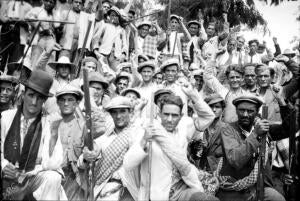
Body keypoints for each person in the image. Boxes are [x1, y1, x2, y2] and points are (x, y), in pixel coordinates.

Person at [123, 94, 218, 201]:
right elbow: (127, 165)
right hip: (158, 193)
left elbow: (208, 117)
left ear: (181, 116)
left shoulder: (183, 131)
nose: (169, 119)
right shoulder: (148, 130)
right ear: (159, 114)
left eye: (174, 115)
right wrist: (144, 140)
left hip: (182, 188)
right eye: (166, 114)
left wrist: (192, 94)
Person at [1, 70, 64, 200]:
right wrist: (3, 165)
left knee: (53, 177)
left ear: (45, 100)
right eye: (31, 95)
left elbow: (53, 164)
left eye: (39, 98)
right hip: (7, 178)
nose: (34, 102)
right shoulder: (6, 117)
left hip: (31, 178)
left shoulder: (48, 123)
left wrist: (53, 134)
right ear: (23, 95)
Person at [215, 94, 286, 201]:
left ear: (257, 112)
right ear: (236, 111)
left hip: (259, 187)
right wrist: (255, 134)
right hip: (234, 189)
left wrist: (282, 102)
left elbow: (289, 128)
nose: (245, 114)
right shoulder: (227, 130)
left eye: (250, 111)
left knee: (277, 198)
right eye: (241, 110)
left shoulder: (264, 128)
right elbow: (235, 159)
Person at [80, 96, 142, 201]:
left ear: (130, 112)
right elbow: (82, 161)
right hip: (105, 189)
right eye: (114, 112)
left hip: (130, 189)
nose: (118, 116)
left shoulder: (138, 134)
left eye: (122, 111)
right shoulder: (104, 138)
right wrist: (87, 156)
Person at [52, 84, 86, 200]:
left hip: (73, 177)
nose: (66, 103)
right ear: (58, 103)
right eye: (62, 100)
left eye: (70, 100)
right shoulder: (50, 123)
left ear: (76, 103)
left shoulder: (83, 126)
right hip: (52, 174)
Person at [0, 0, 32, 72]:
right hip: (6, 32)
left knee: (14, 62)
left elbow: (31, 24)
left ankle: (10, 80)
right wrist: (9, 19)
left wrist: (23, 21)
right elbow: (1, 17)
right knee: (2, 58)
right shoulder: (6, 2)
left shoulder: (28, 7)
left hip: (20, 36)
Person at [92, 6, 128, 71]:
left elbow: (125, 45)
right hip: (103, 54)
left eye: (115, 16)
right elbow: (95, 38)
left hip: (116, 57)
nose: (113, 17)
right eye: (112, 15)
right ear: (109, 16)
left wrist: (123, 54)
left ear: (119, 17)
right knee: (101, 73)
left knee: (115, 75)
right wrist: (96, 51)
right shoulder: (105, 26)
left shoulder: (122, 30)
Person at [198, 94, 226, 172]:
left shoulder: (226, 129)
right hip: (201, 167)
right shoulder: (200, 127)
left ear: (222, 109)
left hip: (218, 169)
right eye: (211, 106)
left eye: (217, 107)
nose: (214, 110)